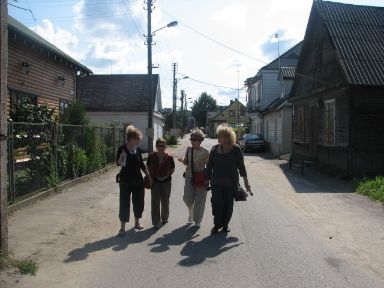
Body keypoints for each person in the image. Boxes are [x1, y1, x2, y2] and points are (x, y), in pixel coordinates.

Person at [206, 124, 251, 234]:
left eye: (221, 136)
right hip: (216, 182)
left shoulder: (236, 149)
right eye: (218, 135)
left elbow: (241, 167)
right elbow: (209, 166)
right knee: (217, 204)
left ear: (227, 137)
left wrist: (246, 182)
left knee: (228, 205)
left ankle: (225, 225)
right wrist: (206, 180)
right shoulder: (214, 149)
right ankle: (217, 225)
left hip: (231, 183)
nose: (218, 138)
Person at [116, 125, 151, 237]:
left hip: (138, 180)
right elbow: (118, 163)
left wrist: (148, 175)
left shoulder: (137, 150)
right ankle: (122, 228)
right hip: (125, 181)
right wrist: (121, 157)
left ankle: (136, 223)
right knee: (124, 204)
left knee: (139, 202)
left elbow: (141, 164)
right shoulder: (122, 149)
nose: (138, 141)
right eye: (137, 139)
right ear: (131, 138)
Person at [178, 128, 210, 227]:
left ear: (200, 141)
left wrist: (208, 180)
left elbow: (209, 167)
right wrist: (182, 160)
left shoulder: (205, 152)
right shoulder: (189, 149)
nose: (192, 141)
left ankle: (197, 220)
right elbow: (186, 162)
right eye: (191, 139)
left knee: (200, 200)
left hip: (201, 177)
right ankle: (191, 213)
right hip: (189, 176)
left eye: (194, 140)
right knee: (187, 198)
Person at [146, 138, 175, 230]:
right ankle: (156, 222)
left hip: (166, 182)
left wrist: (166, 175)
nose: (161, 147)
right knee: (155, 202)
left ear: (166, 146)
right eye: (159, 145)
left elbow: (172, 168)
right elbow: (148, 166)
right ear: (156, 146)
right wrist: (151, 177)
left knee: (165, 200)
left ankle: (164, 218)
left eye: (163, 145)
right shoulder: (151, 156)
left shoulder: (169, 157)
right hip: (155, 182)